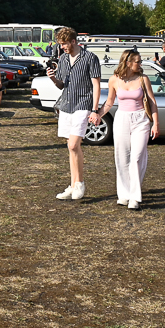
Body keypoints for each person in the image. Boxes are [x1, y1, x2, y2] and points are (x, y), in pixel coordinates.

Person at [48, 27, 103, 201]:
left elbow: (96, 85)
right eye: (60, 44)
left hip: (83, 104)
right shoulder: (63, 58)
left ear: (73, 41)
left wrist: (95, 110)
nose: (62, 47)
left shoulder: (90, 58)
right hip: (66, 104)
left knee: (73, 145)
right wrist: (53, 78)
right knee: (71, 147)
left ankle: (79, 183)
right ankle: (72, 185)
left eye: (64, 44)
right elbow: (62, 85)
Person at [99, 49, 159, 210]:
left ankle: (134, 197)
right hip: (122, 119)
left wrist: (156, 124)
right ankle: (124, 194)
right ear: (128, 63)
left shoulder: (143, 79)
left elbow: (152, 102)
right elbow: (109, 102)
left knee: (137, 157)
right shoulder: (114, 79)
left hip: (141, 119)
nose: (140, 64)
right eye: (137, 62)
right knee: (122, 157)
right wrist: (98, 115)